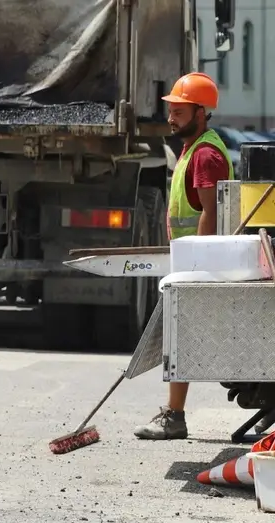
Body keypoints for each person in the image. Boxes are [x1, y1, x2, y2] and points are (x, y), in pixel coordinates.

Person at [134, 71, 234, 440]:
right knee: (183, 338)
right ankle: (174, 414)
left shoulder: (206, 154)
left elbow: (210, 211)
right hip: (191, 259)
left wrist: (198, 264)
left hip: (198, 263)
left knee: (181, 338)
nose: (171, 117)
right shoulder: (194, 149)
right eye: (171, 110)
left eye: (179, 111)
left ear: (200, 112)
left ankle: (174, 416)